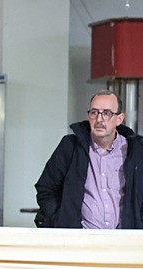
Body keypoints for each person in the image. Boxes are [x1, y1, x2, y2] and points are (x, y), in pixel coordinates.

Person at [35, 91, 143, 229]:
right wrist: (60, 221)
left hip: (123, 241)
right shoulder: (70, 147)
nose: (99, 119)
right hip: (80, 242)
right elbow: (46, 188)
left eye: (107, 113)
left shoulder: (137, 151)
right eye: (94, 112)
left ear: (119, 119)